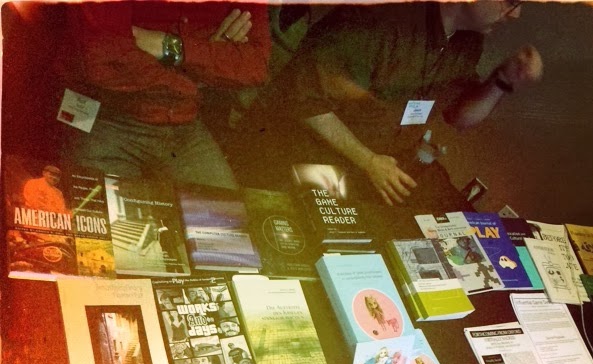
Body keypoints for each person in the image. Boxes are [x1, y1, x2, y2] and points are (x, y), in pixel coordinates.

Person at [232, 1, 542, 208]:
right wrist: (368, 161)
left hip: (386, 162)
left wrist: (502, 79)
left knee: (454, 217)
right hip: (315, 153)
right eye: (509, 1)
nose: (515, 14)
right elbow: (303, 100)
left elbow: (459, 118)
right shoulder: (376, 20)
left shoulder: (468, 41)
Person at [58, 2, 271, 189]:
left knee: (226, 227)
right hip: (104, 119)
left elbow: (255, 66)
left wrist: (170, 47)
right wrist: (202, 67)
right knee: (111, 227)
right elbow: (105, 56)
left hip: (185, 126)